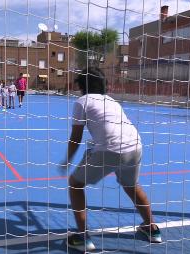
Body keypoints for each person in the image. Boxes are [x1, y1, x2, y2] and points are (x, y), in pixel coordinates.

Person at [59, 67, 162, 252]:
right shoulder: (112, 101)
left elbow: (75, 137)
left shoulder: (82, 101)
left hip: (110, 148)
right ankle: (152, 228)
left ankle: (82, 237)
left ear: (82, 86)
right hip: (135, 145)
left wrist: (67, 159)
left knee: (75, 184)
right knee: (131, 185)